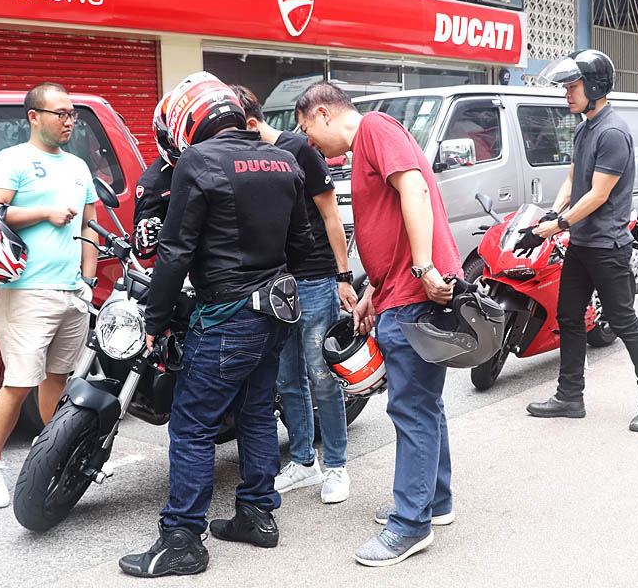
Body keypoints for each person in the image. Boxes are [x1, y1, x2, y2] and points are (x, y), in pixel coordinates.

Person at [119, 72, 313, 578]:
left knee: (192, 425)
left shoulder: (197, 162)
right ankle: (257, 514)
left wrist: (156, 320)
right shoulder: (284, 160)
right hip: (275, 311)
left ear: (186, 123)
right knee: (253, 415)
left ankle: (182, 538)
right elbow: (301, 245)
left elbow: (174, 251)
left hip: (225, 317)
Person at [295, 82, 461, 567]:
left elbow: (413, 187)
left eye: (307, 130)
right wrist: (372, 290)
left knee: (411, 409)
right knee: (425, 405)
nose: (310, 144)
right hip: (398, 292)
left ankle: (411, 526)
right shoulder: (368, 142)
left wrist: (425, 268)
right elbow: (389, 228)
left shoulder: (373, 128)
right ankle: (436, 502)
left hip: (413, 295)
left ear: (324, 114)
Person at [522, 49, 638, 432]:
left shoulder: (613, 131)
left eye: (573, 87)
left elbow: (599, 194)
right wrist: (552, 214)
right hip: (583, 244)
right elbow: (575, 180)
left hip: (607, 246)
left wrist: (560, 225)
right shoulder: (586, 127)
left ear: (595, 86)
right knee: (569, 318)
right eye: (567, 87)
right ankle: (570, 396)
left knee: (623, 320)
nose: (567, 94)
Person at [230, 84, 358, 505]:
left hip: (316, 278)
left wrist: (342, 276)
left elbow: (331, 214)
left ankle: (336, 465)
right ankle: (304, 462)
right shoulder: (248, 160)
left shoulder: (300, 150)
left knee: (321, 375)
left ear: (250, 122)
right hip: (276, 284)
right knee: (287, 378)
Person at [0, 82, 99, 507]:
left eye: (72, 114)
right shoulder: (13, 160)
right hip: (25, 290)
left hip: (70, 292)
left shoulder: (79, 167)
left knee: (58, 379)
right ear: (33, 116)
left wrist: (88, 280)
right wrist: (43, 211)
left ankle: (54, 453)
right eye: (60, 113)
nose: (68, 121)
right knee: (19, 382)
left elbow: (88, 227)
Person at [132, 91, 179, 258]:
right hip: (186, 269)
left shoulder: (218, 161)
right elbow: (140, 249)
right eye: (173, 137)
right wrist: (147, 233)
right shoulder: (152, 182)